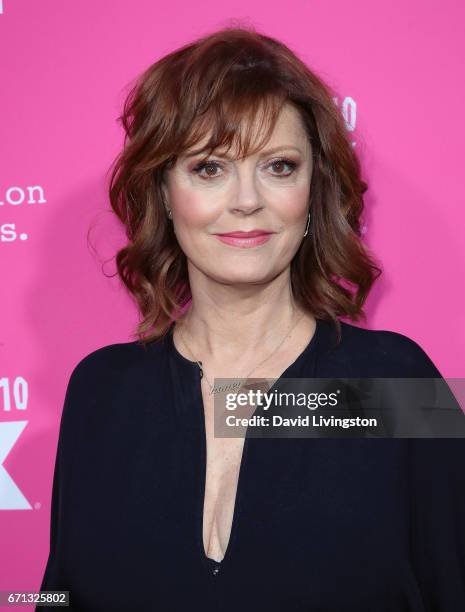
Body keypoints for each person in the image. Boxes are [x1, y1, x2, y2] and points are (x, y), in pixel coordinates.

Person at [37, 26, 465, 611]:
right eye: (210, 167)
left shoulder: (395, 383)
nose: (246, 200)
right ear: (164, 193)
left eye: (279, 167)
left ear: (312, 191)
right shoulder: (103, 390)